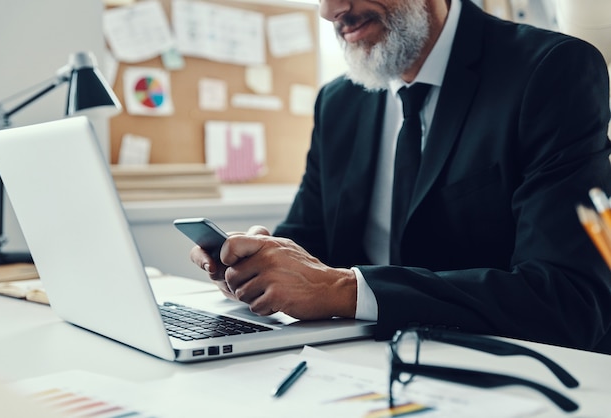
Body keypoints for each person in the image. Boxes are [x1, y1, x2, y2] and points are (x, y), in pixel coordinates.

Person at [191, 0, 611, 354]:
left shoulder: (551, 71)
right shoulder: (339, 102)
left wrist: (344, 289)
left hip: (504, 371)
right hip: (360, 368)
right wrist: (253, 267)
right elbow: (308, 244)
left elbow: (570, 299)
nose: (330, 10)